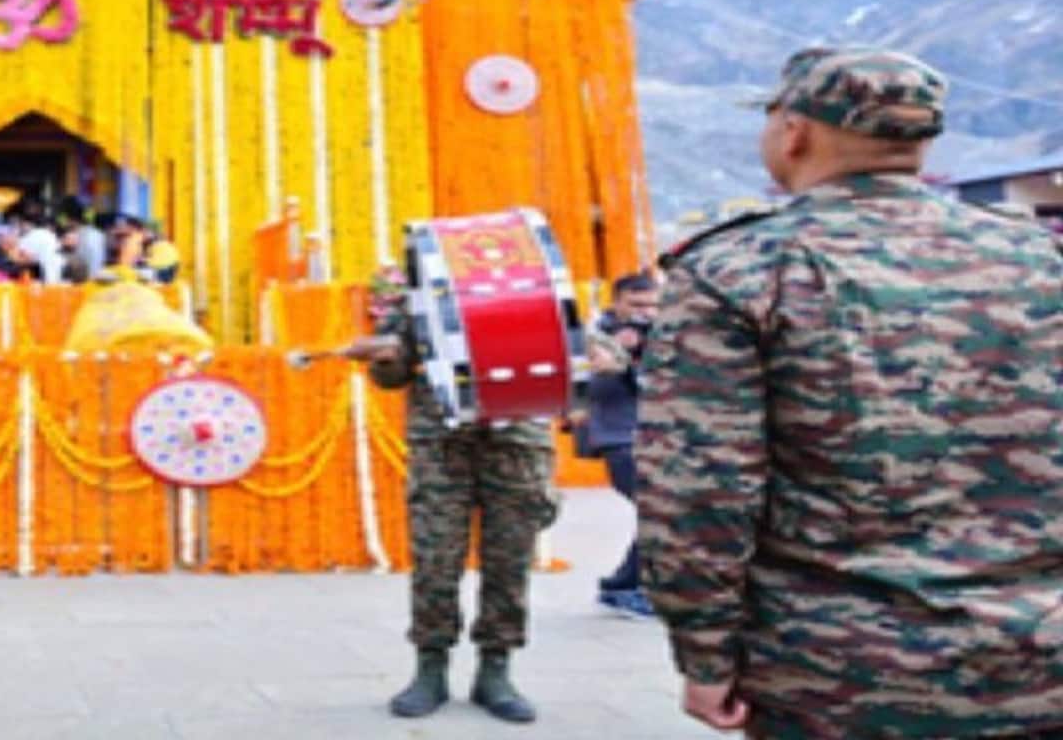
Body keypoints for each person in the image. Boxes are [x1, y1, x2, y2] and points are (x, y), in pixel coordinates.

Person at [640, 47, 1063, 740]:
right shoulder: (1037, 257)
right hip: (1035, 660)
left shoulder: (741, 269)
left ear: (795, 131)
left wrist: (705, 653)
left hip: (833, 678)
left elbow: (701, 486)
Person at [355, 269, 555, 724]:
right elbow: (391, 376)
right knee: (435, 560)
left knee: (510, 560)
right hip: (441, 443)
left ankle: (496, 669)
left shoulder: (534, 297)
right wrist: (388, 357)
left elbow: (596, 349)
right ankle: (430, 668)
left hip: (517, 441)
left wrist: (594, 359)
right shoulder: (421, 305)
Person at [581, 272, 658, 619]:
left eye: (653, 304)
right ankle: (627, 586)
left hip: (656, 436)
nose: (647, 311)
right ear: (617, 303)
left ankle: (622, 584)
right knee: (660, 510)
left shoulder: (659, 333)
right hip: (620, 437)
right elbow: (600, 379)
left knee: (661, 511)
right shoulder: (599, 336)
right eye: (637, 304)